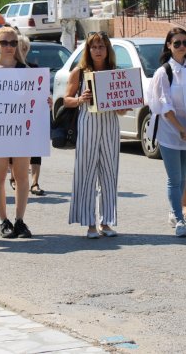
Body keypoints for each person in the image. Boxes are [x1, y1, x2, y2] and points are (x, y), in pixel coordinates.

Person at [63, 32, 126, 238]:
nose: (98, 51)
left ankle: (106, 222)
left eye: (101, 47)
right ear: (88, 50)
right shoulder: (79, 72)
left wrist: (122, 105)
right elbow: (66, 100)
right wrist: (81, 99)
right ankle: (89, 222)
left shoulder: (115, 73)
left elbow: (122, 108)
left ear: (108, 50)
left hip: (110, 124)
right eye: (94, 47)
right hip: (88, 123)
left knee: (109, 173)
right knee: (86, 173)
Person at [146, 27, 186, 237]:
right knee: (174, 177)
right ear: (168, 45)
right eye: (176, 43)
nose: (181, 47)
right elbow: (165, 106)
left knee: (183, 178)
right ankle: (179, 219)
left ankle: (174, 210)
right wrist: (180, 129)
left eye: (185, 43)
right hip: (171, 132)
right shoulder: (164, 72)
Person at [0, 26, 33, 239]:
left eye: (13, 43)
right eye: (4, 43)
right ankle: (3, 220)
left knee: (22, 176)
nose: (9, 47)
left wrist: (45, 101)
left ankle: (20, 220)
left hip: (21, 130)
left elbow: (36, 99)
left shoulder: (26, 70)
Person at [17, 37, 45, 196]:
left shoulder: (35, 69)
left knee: (36, 149)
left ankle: (34, 183)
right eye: (20, 47)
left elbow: (41, 91)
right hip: (14, 115)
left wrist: (46, 100)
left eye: (25, 47)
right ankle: (15, 178)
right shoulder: (9, 69)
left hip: (33, 113)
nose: (23, 50)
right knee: (15, 149)